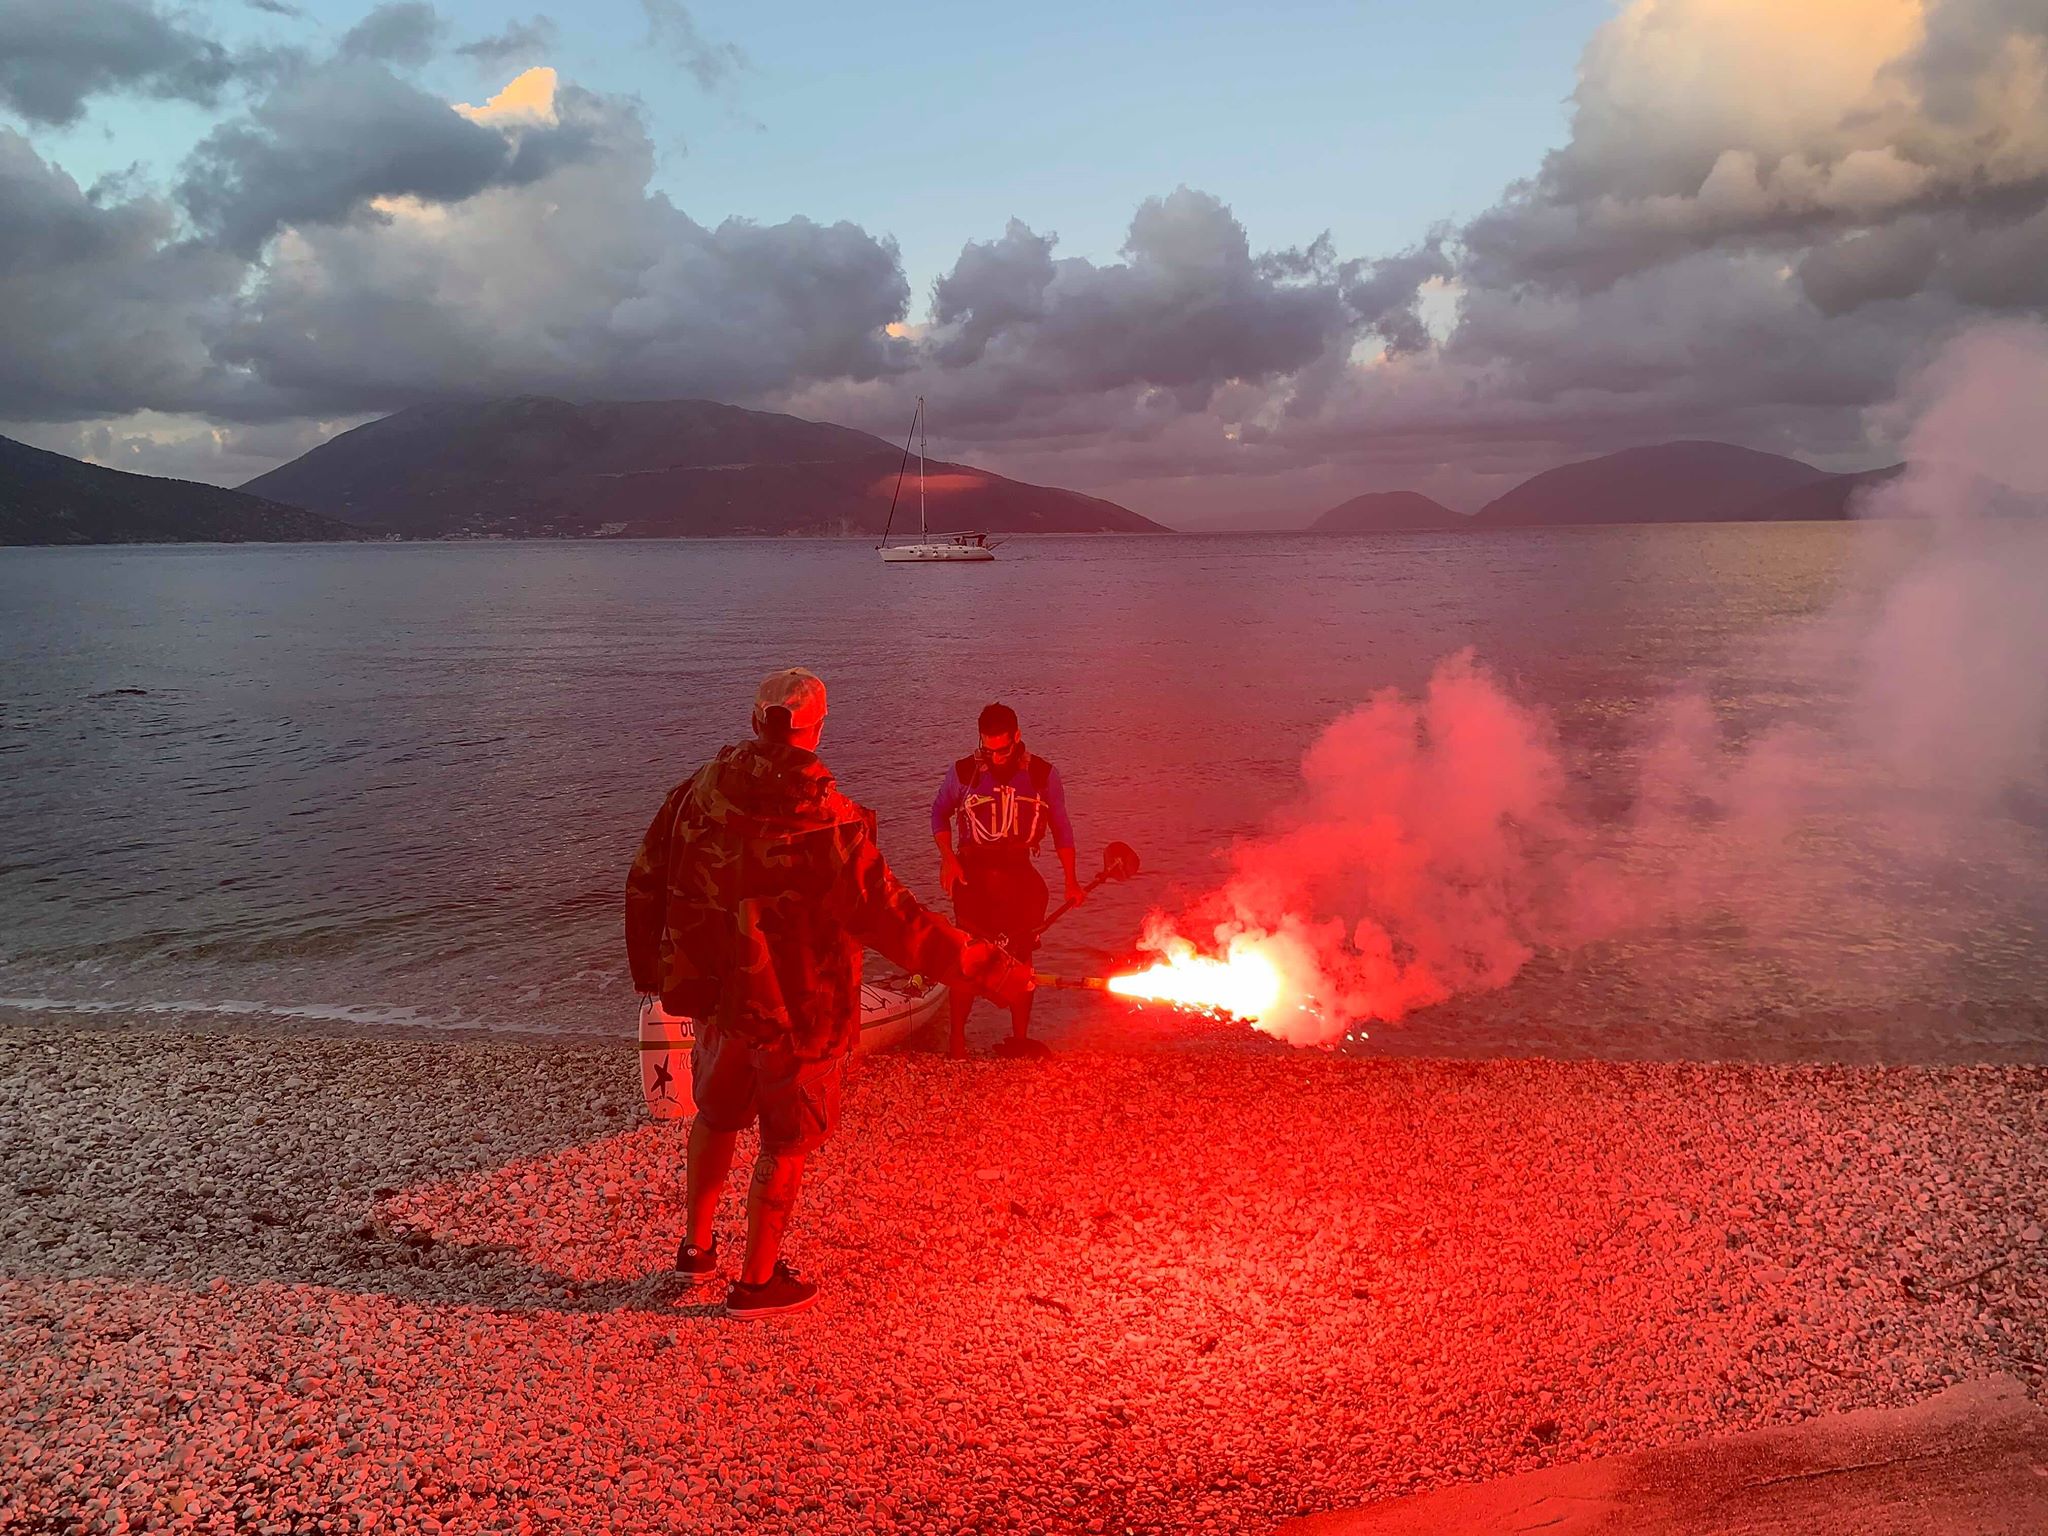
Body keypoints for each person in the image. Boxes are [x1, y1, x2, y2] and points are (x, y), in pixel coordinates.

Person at [626, 668, 1031, 1318]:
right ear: (816, 728)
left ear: (756, 721)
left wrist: (657, 976)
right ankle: (757, 1284)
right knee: (784, 1143)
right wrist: (989, 967)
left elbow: (645, 876)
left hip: (720, 1000)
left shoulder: (696, 793)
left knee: (716, 1114)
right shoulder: (827, 821)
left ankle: (696, 1250)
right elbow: (897, 922)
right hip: (798, 1011)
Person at [931, 701, 1084, 1060]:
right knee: (967, 960)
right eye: (989, 749)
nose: (996, 758)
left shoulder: (1043, 775)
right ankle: (957, 1044)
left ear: (1017, 737)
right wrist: (949, 861)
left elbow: (1062, 829)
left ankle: (1018, 1039)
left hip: (1019, 877)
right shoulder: (964, 772)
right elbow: (939, 813)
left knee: (1021, 960)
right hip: (973, 878)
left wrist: (1071, 881)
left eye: (1003, 749)